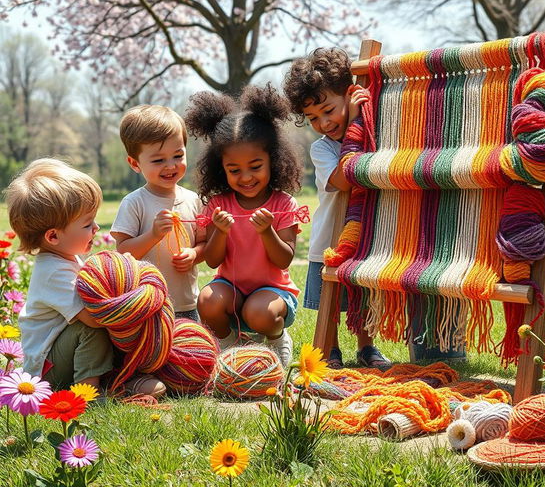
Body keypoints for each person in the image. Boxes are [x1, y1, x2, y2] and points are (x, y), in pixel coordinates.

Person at [283, 47, 391, 370]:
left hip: (364, 237)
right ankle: (329, 349)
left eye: (328, 110)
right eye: (314, 118)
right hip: (329, 242)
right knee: (330, 303)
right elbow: (344, 179)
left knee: (362, 299)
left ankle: (367, 348)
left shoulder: (374, 134)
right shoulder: (322, 148)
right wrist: (353, 123)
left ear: (350, 95)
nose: (323, 122)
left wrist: (361, 124)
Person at [185, 85, 302, 366]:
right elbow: (212, 262)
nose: (246, 177)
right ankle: (227, 345)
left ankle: (276, 338)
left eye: (255, 166)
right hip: (231, 289)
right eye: (234, 170)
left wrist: (267, 231)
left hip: (273, 293)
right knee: (208, 300)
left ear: (273, 161)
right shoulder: (218, 205)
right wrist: (220, 232)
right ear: (220, 168)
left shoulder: (283, 203)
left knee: (259, 312)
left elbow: (284, 258)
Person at [5, 159, 114, 391]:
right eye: (87, 224)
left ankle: (109, 377)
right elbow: (92, 318)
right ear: (53, 237)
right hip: (46, 368)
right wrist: (125, 311)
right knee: (92, 328)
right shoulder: (53, 272)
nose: (96, 228)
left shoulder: (65, 255)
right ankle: (87, 391)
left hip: (59, 351)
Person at [111, 105, 206, 321]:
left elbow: (204, 243)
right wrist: (153, 235)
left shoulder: (194, 200)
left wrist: (194, 255)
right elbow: (124, 253)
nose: (171, 166)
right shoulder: (134, 203)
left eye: (177, 155)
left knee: (188, 352)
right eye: (158, 160)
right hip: (145, 304)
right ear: (135, 164)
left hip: (187, 304)